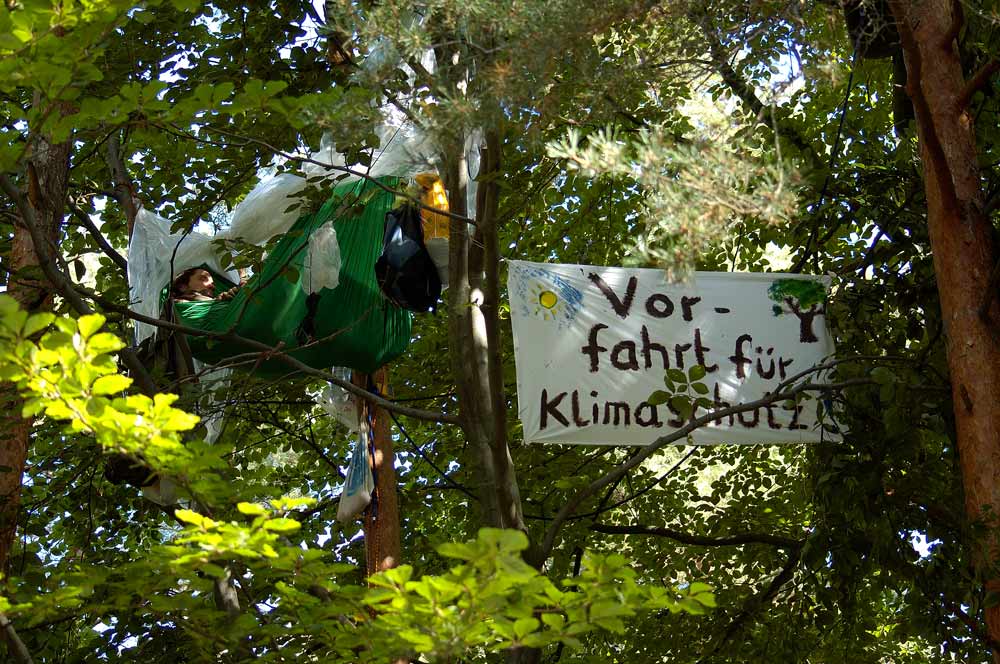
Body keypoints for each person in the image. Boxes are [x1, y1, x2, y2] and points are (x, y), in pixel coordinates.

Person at [170, 267, 239, 302]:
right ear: (182, 286)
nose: (213, 286)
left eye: (212, 283)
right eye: (203, 279)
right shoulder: (173, 309)